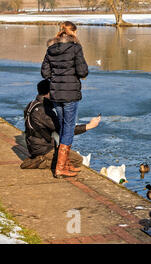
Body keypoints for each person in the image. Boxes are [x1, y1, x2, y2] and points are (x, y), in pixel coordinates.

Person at [41, 21, 90, 178]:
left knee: (63, 126)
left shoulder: (50, 49)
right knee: (68, 128)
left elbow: (45, 73)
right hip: (70, 94)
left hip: (56, 94)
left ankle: (64, 163)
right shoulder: (75, 48)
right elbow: (83, 72)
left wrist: (56, 78)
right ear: (73, 32)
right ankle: (60, 168)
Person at [21, 80, 100, 170]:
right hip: (43, 149)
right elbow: (64, 130)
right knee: (78, 160)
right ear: (49, 92)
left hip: (34, 145)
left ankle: (41, 158)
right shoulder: (43, 111)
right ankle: (41, 162)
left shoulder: (32, 104)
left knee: (67, 155)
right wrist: (88, 126)